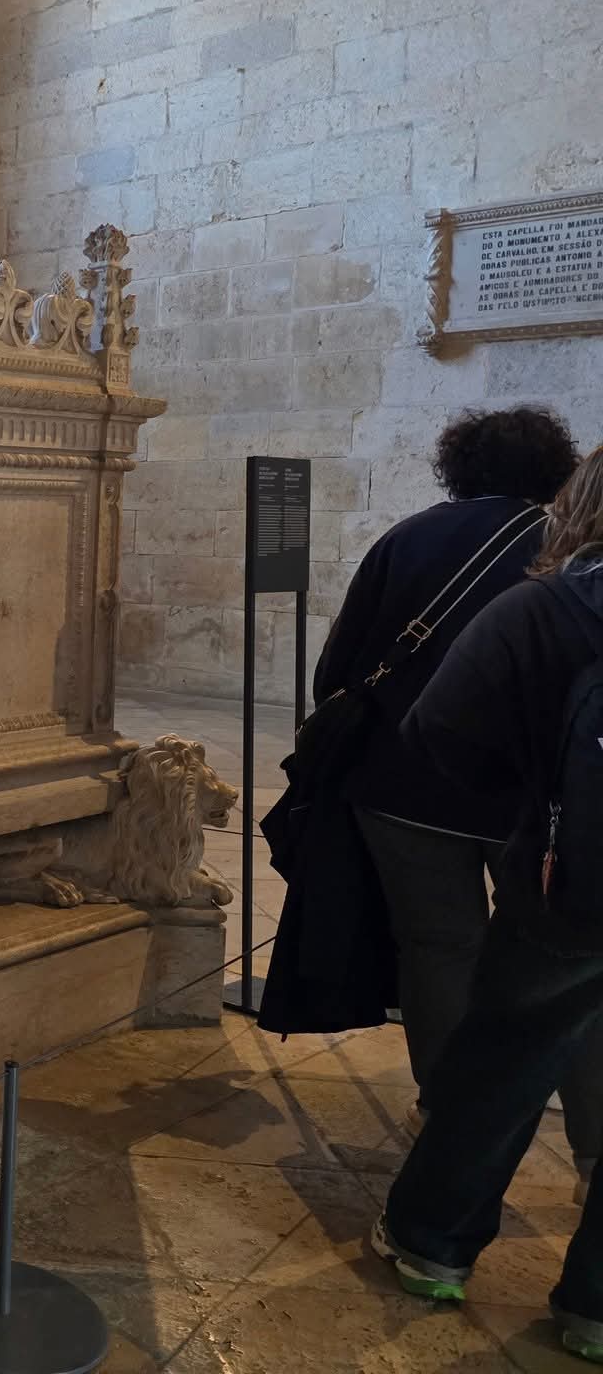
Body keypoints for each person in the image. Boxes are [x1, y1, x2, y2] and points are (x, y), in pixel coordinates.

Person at [372, 442, 603, 1360]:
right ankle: (595, 1311)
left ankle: (432, 1247)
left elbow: (442, 733)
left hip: (567, 884)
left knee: (504, 1057)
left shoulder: (544, 607)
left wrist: (538, 804)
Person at [313, 406, 585, 1131]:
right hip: (529, 798)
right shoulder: (566, 547)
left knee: (438, 946)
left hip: (403, 785)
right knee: (562, 954)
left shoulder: (406, 537)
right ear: (554, 469)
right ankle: (580, 1131)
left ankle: (445, 1113)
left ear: (458, 464)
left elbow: (335, 672)